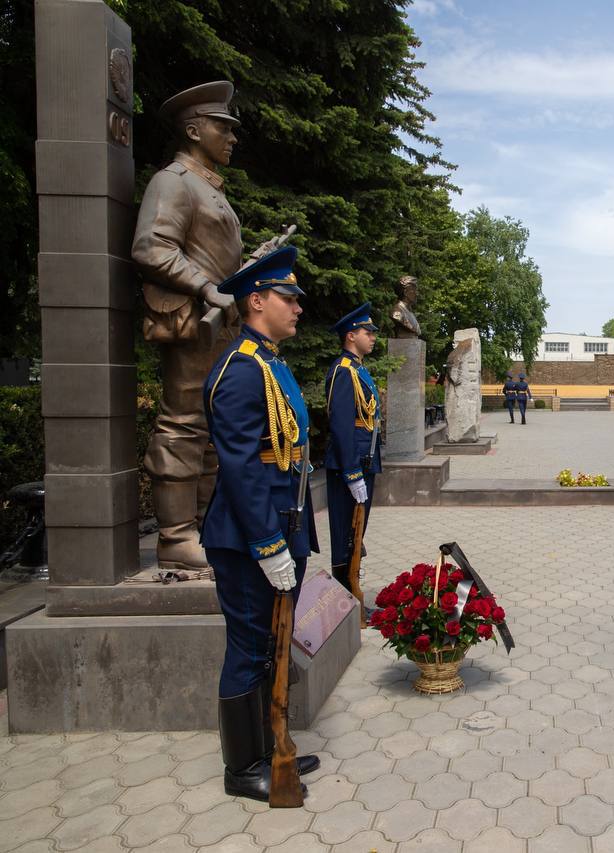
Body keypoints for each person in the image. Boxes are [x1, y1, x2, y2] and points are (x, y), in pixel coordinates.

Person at [201, 246, 320, 800]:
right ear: (256, 300)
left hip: (280, 525)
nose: (298, 307)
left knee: (273, 640)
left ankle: (273, 744)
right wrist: (269, 544)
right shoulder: (241, 370)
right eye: (288, 297)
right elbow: (242, 466)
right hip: (250, 536)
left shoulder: (269, 362)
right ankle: (242, 765)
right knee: (249, 646)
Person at [132, 81, 245, 573]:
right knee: (182, 425)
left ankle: (202, 527)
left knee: (212, 429)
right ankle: (176, 538)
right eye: (223, 127)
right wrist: (205, 287)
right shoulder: (173, 181)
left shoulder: (208, 187)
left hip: (218, 327)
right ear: (194, 129)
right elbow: (151, 247)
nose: (232, 137)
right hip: (194, 323)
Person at [325, 303, 383, 599]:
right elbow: (341, 425)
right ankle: (345, 598)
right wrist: (351, 472)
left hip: (364, 461)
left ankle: (352, 595)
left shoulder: (358, 370)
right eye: (367, 331)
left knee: (356, 534)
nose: (373, 336)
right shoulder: (343, 371)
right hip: (352, 465)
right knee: (346, 536)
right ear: (351, 336)